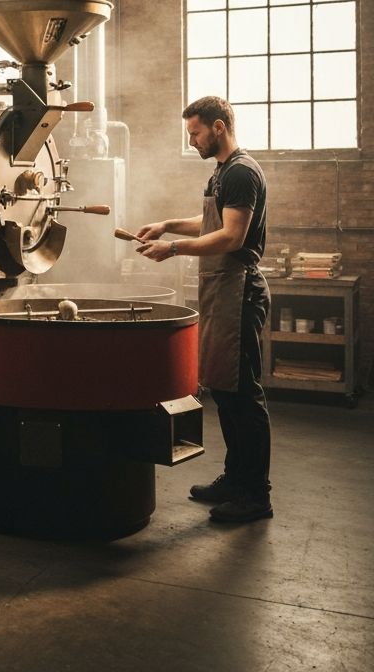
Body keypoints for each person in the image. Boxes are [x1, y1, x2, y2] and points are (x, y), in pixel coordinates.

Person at [136, 96, 273, 524]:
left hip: (239, 289)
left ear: (218, 127)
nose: (191, 140)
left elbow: (231, 237)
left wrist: (172, 248)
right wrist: (168, 225)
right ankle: (236, 480)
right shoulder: (222, 173)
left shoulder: (241, 172)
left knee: (243, 395)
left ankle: (255, 495)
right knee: (225, 392)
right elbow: (210, 224)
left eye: (195, 133)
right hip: (221, 290)